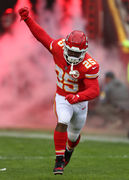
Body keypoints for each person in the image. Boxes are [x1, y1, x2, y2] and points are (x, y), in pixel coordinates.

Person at [18, 7, 100, 175]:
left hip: (80, 100)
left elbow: (94, 90)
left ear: (84, 52)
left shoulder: (89, 65)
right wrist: (27, 19)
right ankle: (59, 161)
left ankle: (69, 151)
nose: (71, 54)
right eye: (69, 50)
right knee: (62, 121)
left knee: (74, 135)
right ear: (66, 47)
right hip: (62, 96)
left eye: (76, 52)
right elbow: (41, 36)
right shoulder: (58, 48)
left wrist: (78, 97)